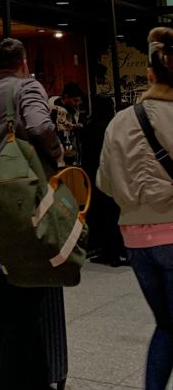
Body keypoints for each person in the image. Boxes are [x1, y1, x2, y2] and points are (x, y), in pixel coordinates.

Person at [0, 38, 64, 390]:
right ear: (24, 63)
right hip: (25, 204)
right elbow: (42, 127)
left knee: (18, 300)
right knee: (24, 309)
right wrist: (58, 153)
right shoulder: (29, 87)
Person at [97, 26, 173, 390]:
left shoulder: (120, 121)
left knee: (166, 325)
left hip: (137, 240)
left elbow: (106, 183)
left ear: (148, 72)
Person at [82, 94, 125, 267]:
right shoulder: (114, 126)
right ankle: (121, 249)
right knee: (116, 213)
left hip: (95, 174)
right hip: (116, 174)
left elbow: (86, 154)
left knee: (101, 215)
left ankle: (107, 251)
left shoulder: (90, 127)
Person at [48, 82, 83, 165]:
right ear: (66, 97)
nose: (77, 103)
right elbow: (64, 135)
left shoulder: (71, 108)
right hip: (64, 154)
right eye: (75, 100)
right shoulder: (58, 110)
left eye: (78, 101)